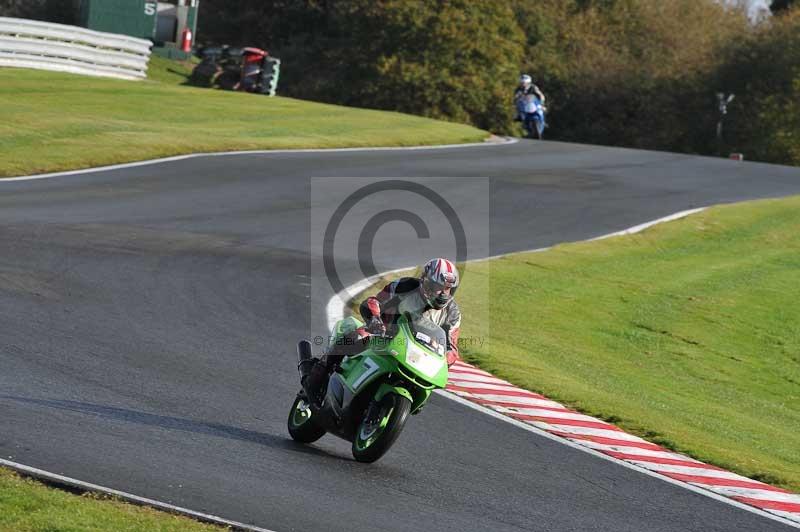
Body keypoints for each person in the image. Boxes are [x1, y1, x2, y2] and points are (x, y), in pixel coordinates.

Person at [301, 258, 462, 403]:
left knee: (427, 387)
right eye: (438, 287)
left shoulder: (452, 314)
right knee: (353, 338)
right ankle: (315, 381)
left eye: (447, 289)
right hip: (382, 335)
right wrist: (376, 320)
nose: (442, 293)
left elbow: (452, 348)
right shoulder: (405, 286)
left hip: (417, 354)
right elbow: (373, 301)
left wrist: (443, 359)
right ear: (425, 281)